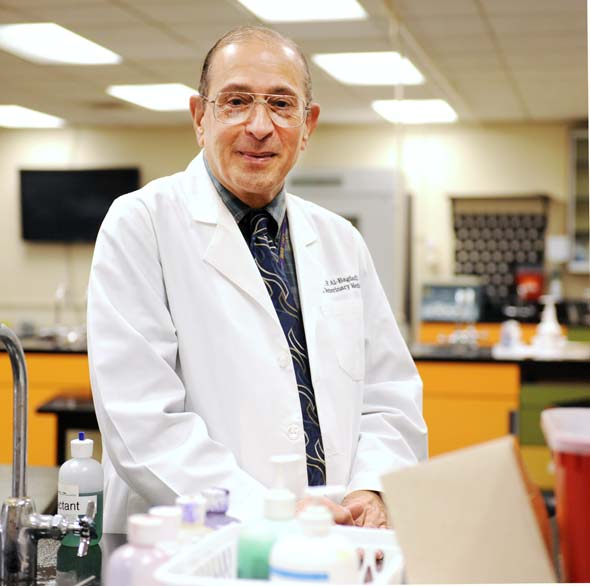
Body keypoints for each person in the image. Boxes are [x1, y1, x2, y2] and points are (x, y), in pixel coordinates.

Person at [87, 25, 427, 534]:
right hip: (195, 540)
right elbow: (142, 423)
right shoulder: (141, 224)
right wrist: (268, 513)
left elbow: (388, 392)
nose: (260, 125)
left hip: (336, 535)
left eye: (282, 104)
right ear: (201, 118)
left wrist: (372, 486)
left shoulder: (340, 241)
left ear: (307, 124)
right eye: (237, 101)